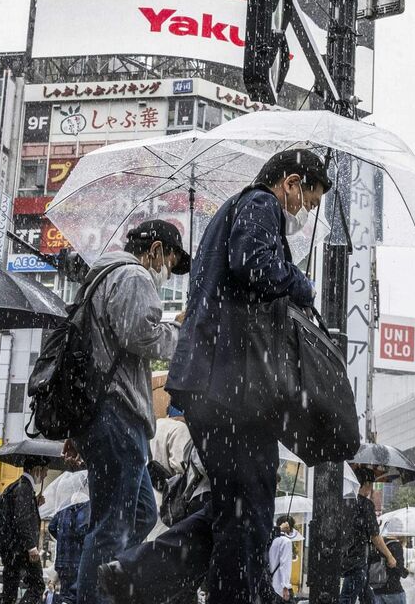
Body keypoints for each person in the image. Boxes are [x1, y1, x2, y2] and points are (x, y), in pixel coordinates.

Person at [102, 149, 331, 604]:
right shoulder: (260, 204)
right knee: (250, 504)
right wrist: (302, 285)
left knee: (233, 504)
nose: (304, 211)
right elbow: (256, 265)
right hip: (232, 387)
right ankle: (226, 593)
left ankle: (137, 574)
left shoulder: (235, 212)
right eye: (307, 199)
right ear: (289, 182)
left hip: (214, 384)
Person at [68, 220, 186, 604]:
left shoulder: (101, 278)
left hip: (104, 414)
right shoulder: (133, 275)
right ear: (154, 249)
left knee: (139, 515)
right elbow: (143, 336)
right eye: (169, 258)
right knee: (112, 526)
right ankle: (96, 597)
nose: (167, 269)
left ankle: (110, 586)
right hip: (118, 415)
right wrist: (180, 333)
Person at [345, 470, 401, 604]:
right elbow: (375, 536)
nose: (371, 488)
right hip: (357, 559)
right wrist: (389, 556)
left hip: (345, 557)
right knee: (347, 597)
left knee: (367, 597)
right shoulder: (365, 505)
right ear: (366, 484)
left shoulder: (346, 501)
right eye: (371, 484)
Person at [0, 465, 48, 604]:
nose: (45, 475)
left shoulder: (16, 486)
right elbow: (21, 519)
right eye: (44, 470)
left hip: (11, 548)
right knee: (37, 585)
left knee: (10, 590)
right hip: (22, 548)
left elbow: (16, 514)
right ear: (36, 469)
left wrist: (34, 503)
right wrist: (31, 547)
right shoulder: (24, 488)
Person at [50, 501, 92, 604]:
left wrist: (62, 539)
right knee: (74, 595)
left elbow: (51, 527)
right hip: (76, 561)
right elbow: (82, 531)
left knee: (65, 594)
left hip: (61, 562)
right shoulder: (84, 508)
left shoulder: (63, 509)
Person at [371, 537, 410, 604]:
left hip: (376, 591)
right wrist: (406, 571)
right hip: (393, 591)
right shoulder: (395, 545)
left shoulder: (376, 544)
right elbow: (399, 569)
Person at [269, 517, 298, 602]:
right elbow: (285, 565)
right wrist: (285, 587)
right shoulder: (286, 542)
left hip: (268, 584)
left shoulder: (270, 540)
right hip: (279, 587)